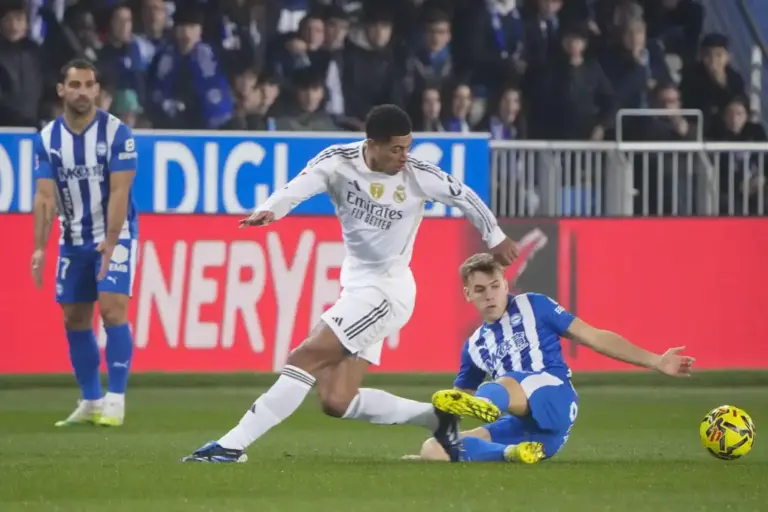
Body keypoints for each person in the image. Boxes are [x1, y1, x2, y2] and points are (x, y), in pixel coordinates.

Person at [182, 104, 520, 463]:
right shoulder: (339, 162)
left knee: (305, 356)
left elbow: (464, 196)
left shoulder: (418, 175)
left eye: (408, 147)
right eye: (396, 149)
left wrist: (494, 237)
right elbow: (300, 185)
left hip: (388, 292)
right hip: (357, 287)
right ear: (371, 144)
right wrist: (272, 208)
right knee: (336, 400)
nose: (405, 157)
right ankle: (438, 418)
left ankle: (231, 446)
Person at [410, 253, 695, 463]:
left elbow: (594, 336)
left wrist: (656, 360)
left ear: (506, 285)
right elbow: (458, 402)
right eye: (480, 290)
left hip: (555, 397)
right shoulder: (473, 346)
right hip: (533, 433)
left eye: (495, 285)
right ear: (467, 294)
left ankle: (487, 403)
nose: (490, 296)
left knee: (504, 384)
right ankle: (511, 454)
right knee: (434, 448)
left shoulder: (535, 305)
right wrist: (441, 429)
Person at [31, 58, 139, 427]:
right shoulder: (47, 139)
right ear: (62, 90)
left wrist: (110, 242)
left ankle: (116, 398)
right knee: (74, 317)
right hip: (73, 236)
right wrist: (39, 247)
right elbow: (44, 197)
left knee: (112, 310)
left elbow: (120, 192)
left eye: (89, 84)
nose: (82, 91)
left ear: (97, 90)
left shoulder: (117, 133)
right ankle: (91, 399)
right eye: (74, 85)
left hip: (115, 233)